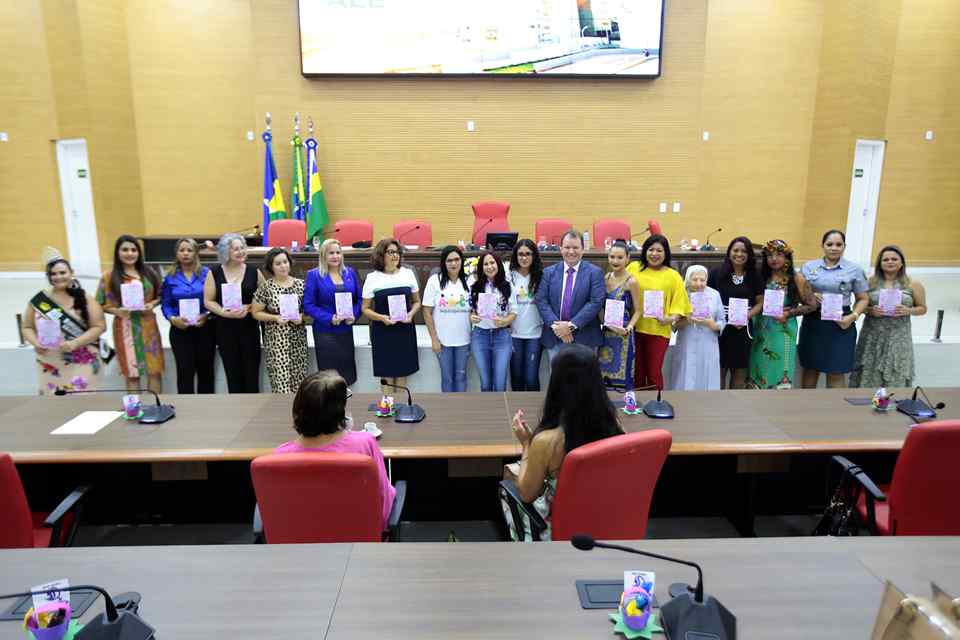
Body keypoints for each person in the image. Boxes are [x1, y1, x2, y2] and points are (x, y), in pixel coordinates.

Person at [500, 344, 623, 541]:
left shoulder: (547, 442)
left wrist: (526, 445)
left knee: (507, 486)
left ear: (557, 384)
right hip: (603, 526)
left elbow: (527, 494)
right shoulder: (613, 426)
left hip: (559, 535)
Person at [275, 371, 396, 531]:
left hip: (300, 548)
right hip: (359, 545)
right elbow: (383, 502)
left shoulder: (280, 456)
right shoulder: (364, 443)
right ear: (340, 410)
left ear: (298, 407)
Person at [22, 248, 106, 395]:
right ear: (48, 276)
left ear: (71, 273)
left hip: (82, 359)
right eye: (53, 274)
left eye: (62, 272)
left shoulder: (84, 297)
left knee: (82, 400)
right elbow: (27, 327)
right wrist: (35, 342)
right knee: (55, 406)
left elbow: (99, 326)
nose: (58, 277)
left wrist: (75, 343)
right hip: (49, 360)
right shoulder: (40, 300)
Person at [798, 230, 869, 388]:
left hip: (841, 323)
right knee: (810, 368)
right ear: (822, 246)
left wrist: (853, 317)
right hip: (814, 321)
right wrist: (810, 295)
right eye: (829, 244)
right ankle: (805, 408)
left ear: (844, 247)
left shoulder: (854, 269)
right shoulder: (809, 267)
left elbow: (863, 299)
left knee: (836, 370)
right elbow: (798, 294)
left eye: (839, 244)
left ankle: (836, 410)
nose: (834, 248)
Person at [850, 245, 927, 388]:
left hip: (899, 337)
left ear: (901, 263)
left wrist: (908, 310)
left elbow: (923, 309)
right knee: (868, 371)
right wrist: (870, 310)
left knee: (895, 372)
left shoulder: (913, 284)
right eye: (885, 259)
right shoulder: (869, 282)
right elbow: (858, 306)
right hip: (872, 336)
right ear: (880, 263)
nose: (890, 262)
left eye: (894, 259)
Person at [97, 235, 165, 393]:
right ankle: (136, 411)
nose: (130, 253)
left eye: (133, 250)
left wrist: (151, 304)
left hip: (148, 327)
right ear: (117, 252)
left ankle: (155, 409)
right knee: (132, 373)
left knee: (154, 371)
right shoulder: (108, 277)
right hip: (124, 328)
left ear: (139, 253)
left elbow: (161, 296)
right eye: (125, 249)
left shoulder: (149, 273)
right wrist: (117, 311)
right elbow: (100, 303)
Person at [626, 234, 691, 391]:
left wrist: (669, 319)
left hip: (658, 331)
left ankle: (657, 404)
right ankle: (637, 407)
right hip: (634, 329)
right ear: (645, 251)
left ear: (666, 253)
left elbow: (681, 304)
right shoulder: (633, 268)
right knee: (637, 372)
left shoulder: (673, 276)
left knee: (654, 372)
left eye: (659, 250)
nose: (654, 254)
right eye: (651, 249)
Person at [747, 240, 815, 390]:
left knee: (779, 366)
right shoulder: (761, 276)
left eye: (779, 255)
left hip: (783, 330)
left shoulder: (796, 278)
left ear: (787, 257)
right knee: (758, 366)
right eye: (770, 255)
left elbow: (812, 305)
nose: (774, 259)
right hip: (760, 330)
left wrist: (789, 313)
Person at [204, 233, 264, 393]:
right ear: (225, 252)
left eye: (242, 248)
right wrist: (224, 312)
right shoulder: (214, 273)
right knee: (233, 375)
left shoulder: (254, 272)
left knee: (251, 376)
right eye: (235, 249)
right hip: (225, 330)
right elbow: (208, 301)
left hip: (249, 330)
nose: (240, 251)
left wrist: (250, 307)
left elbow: (265, 298)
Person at [361, 238, 421, 396]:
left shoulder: (408, 274)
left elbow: (417, 302)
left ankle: (401, 407)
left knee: (403, 371)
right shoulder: (372, 278)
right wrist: (381, 318)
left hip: (404, 329)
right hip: (383, 331)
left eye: (397, 252)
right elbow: (365, 309)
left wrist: (411, 314)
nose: (395, 256)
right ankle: (387, 408)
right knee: (386, 371)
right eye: (391, 252)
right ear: (381, 255)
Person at [534, 230, 605, 361]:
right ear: (561, 249)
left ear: (583, 250)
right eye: (567, 247)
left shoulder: (595, 273)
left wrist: (570, 326)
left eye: (575, 247)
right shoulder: (548, 273)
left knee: (584, 380)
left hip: (585, 338)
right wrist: (558, 328)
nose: (571, 251)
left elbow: (596, 302)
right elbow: (541, 300)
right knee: (557, 379)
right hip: (555, 337)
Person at [303, 239, 361, 386]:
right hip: (325, 332)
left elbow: (360, 299)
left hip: (345, 331)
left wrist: (354, 315)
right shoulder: (314, 275)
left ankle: (346, 406)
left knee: (347, 375)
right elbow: (308, 305)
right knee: (329, 378)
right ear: (323, 255)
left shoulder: (350, 273)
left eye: (338, 253)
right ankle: (330, 408)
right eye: (331, 253)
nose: (335, 256)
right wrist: (329, 318)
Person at [161, 238, 215, 394]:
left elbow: (214, 299)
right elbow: (166, 303)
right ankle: (187, 412)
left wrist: (206, 315)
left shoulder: (207, 274)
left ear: (196, 253)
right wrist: (172, 319)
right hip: (180, 331)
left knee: (206, 373)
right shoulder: (170, 277)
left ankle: (207, 410)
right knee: (184, 373)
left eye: (189, 250)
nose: (185, 254)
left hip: (204, 329)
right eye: (181, 250)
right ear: (176, 254)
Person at [707, 236, 762, 389]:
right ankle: (718, 407)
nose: (739, 254)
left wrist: (746, 316)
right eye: (735, 250)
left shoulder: (754, 276)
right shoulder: (716, 274)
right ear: (729, 252)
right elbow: (708, 299)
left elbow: (760, 303)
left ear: (749, 254)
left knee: (739, 372)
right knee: (719, 370)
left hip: (743, 330)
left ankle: (734, 408)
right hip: (720, 330)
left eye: (744, 251)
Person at [252, 248, 309, 393]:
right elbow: (256, 312)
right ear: (271, 267)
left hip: (298, 341)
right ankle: (282, 414)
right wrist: (275, 317)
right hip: (276, 342)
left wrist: (302, 317)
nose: (283, 266)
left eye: (285, 262)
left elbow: (309, 311)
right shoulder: (266, 287)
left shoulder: (302, 285)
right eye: (278, 263)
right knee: (281, 386)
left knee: (299, 385)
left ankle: (299, 414)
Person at [422, 246, 471, 392]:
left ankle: (461, 410)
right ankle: (449, 412)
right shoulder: (434, 281)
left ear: (461, 261)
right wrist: (434, 339)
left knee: (461, 377)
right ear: (444, 263)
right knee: (447, 378)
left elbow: (475, 308)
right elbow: (426, 311)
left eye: (456, 259)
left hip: (464, 339)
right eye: (449, 260)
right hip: (443, 342)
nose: (453, 263)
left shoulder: (470, 281)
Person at [667, 265, 724, 390]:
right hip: (687, 342)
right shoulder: (681, 294)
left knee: (707, 374)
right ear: (688, 279)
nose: (699, 284)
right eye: (695, 280)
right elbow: (673, 325)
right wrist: (688, 320)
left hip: (708, 343)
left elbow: (722, 320)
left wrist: (713, 324)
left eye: (702, 280)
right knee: (685, 373)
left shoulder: (714, 294)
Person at [468, 251, 517, 392]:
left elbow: (514, 312)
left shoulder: (508, 285)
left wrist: (504, 321)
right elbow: (469, 311)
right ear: (481, 267)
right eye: (485, 264)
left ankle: (501, 414)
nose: (489, 267)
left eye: (492, 263)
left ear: (498, 265)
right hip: (480, 336)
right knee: (485, 383)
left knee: (500, 383)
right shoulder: (474, 285)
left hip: (501, 336)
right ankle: (487, 413)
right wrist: (472, 317)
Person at [597, 240, 641, 390]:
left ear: (628, 258)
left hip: (623, 335)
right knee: (603, 375)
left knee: (624, 375)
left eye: (620, 257)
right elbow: (599, 306)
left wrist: (628, 328)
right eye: (612, 257)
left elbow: (639, 310)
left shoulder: (632, 282)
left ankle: (626, 408)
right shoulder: (605, 278)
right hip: (606, 333)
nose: (615, 261)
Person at [508, 240, 544, 391]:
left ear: (534, 256)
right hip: (514, 334)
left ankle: (534, 412)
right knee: (516, 378)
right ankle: (517, 412)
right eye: (520, 254)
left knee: (531, 378)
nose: (524, 258)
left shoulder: (542, 277)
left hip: (535, 334)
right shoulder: (509, 276)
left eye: (528, 254)